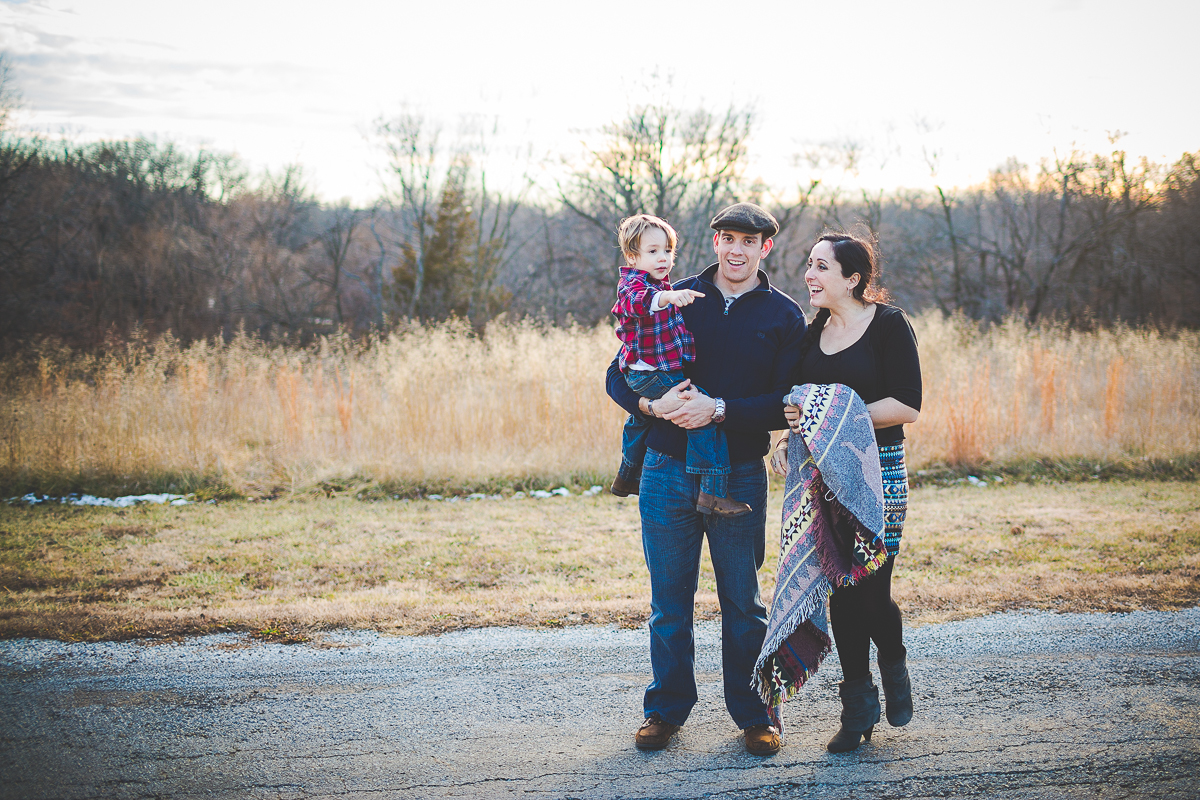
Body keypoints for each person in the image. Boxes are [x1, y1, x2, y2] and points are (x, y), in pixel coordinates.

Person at [605, 202, 806, 755]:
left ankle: (758, 714)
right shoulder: (673, 294)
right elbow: (616, 372)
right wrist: (651, 403)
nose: (737, 249)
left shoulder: (783, 316)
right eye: (728, 238)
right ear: (714, 241)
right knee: (670, 602)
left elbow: (782, 403)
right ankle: (666, 710)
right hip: (666, 469)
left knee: (743, 602)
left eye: (750, 240)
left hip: (739, 473)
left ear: (767, 247)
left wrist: (717, 410)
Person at [771, 231, 922, 753]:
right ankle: (857, 712)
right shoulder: (813, 332)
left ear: (853, 278)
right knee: (840, 586)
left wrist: (833, 419)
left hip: (878, 472)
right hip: (822, 477)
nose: (809, 275)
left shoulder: (889, 326)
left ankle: (893, 656)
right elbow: (797, 403)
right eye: (809, 265)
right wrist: (794, 420)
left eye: (821, 267)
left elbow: (907, 405)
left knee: (871, 587)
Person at [610, 213, 749, 517]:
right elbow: (639, 303)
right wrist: (668, 297)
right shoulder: (634, 285)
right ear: (632, 257)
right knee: (698, 414)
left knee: (640, 420)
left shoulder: (660, 284)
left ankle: (626, 475)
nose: (663, 258)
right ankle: (711, 493)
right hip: (651, 373)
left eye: (667, 251)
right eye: (652, 251)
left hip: (646, 369)